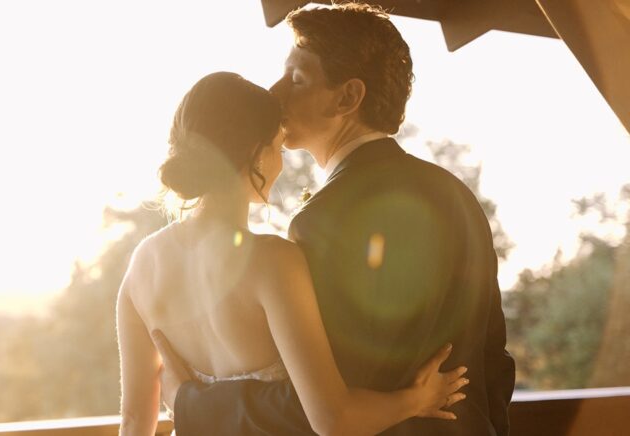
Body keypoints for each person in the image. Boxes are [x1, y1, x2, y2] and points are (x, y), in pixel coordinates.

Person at [155, 4, 516, 435]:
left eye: (297, 78)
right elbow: (496, 368)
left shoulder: (321, 222)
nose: (274, 92)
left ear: (348, 97)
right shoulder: (458, 196)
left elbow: (326, 407)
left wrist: (190, 402)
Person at [117, 71, 469, 436]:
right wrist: (418, 399)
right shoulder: (272, 262)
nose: (281, 163)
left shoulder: (141, 265)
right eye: (279, 145)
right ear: (257, 153)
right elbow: (333, 420)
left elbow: (133, 422)